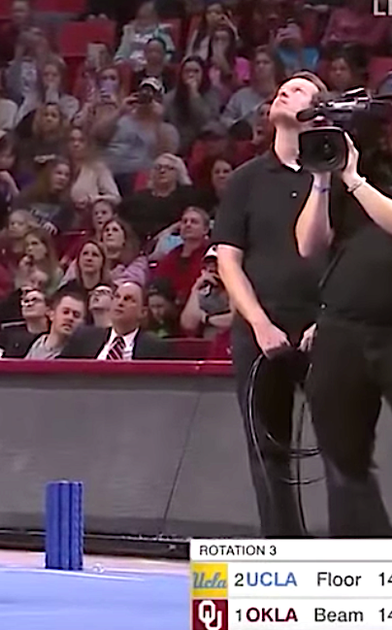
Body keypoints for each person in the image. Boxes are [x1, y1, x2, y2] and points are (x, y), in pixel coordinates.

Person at [214, 72, 328, 538]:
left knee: (344, 446)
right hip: (260, 331)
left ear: (317, 113)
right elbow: (228, 259)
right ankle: (284, 547)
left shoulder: (334, 177)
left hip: (325, 329)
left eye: (299, 89)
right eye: (284, 87)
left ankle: (350, 550)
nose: (285, 90)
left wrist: (329, 319)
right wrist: (259, 323)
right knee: (267, 451)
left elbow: (349, 255)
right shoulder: (246, 179)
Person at [294, 92, 392, 537]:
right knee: (343, 454)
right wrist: (321, 180)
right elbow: (308, 245)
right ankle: (366, 559)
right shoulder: (345, 171)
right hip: (342, 327)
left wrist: (354, 181)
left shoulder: (357, 180)